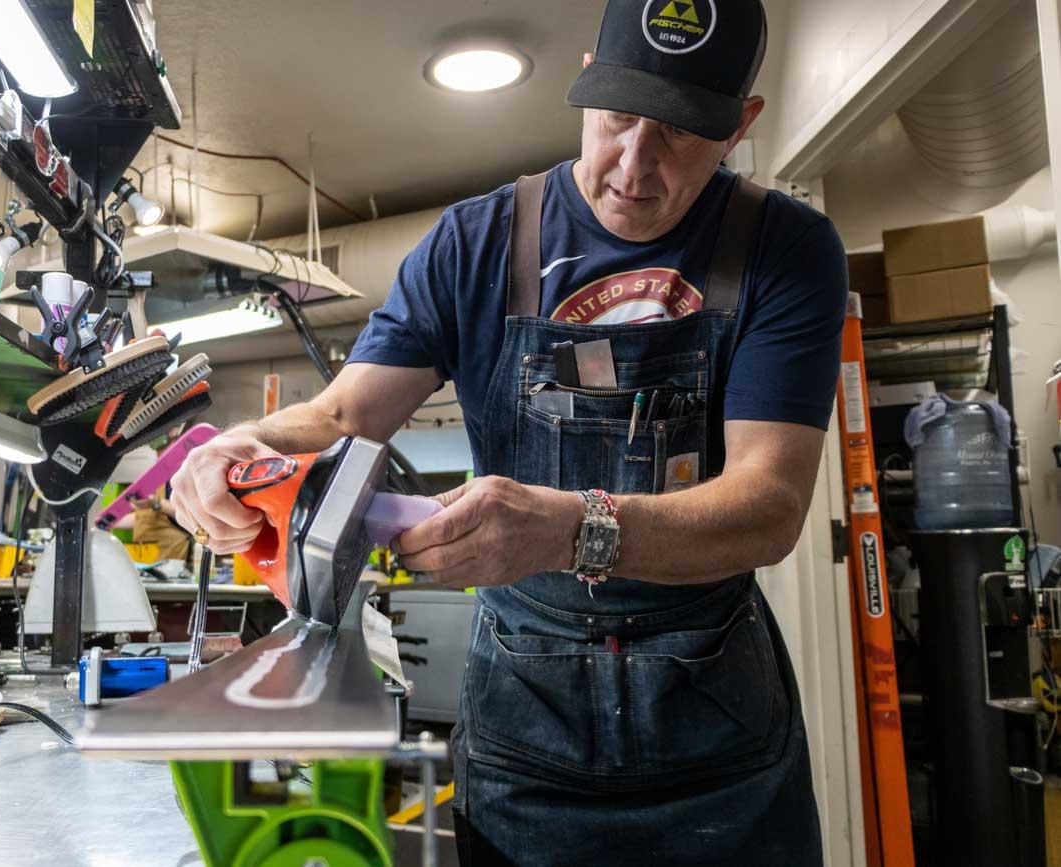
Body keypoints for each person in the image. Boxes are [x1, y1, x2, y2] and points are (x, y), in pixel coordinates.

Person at [172, 0, 846, 862]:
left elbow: (769, 504)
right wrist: (244, 442)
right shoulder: (477, 242)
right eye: (617, 119)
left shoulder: (786, 248)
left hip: (714, 730)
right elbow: (343, 413)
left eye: (679, 133)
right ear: (586, 80)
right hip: (529, 725)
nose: (634, 166)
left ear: (739, 124)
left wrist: (572, 529)